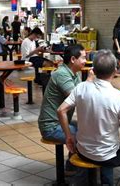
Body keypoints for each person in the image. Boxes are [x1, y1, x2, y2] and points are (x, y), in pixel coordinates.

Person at [57, 49, 120, 185]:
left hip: (82, 150)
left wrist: (68, 136)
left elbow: (61, 110)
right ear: (115, 71)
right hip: (107, 155)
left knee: (110, 148)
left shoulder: (81, 88)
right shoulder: (118, 97)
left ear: (93, 70)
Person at [38, 44, 87, 173]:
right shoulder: (62, 74)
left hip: (60, 122)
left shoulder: (74, 74)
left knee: (87, 130)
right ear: (73, 59)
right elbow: (77, 98)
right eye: (83, 57)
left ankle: (72, 167)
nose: (85, 61)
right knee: (84, 136)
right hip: (51, 126)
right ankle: (80, 175)